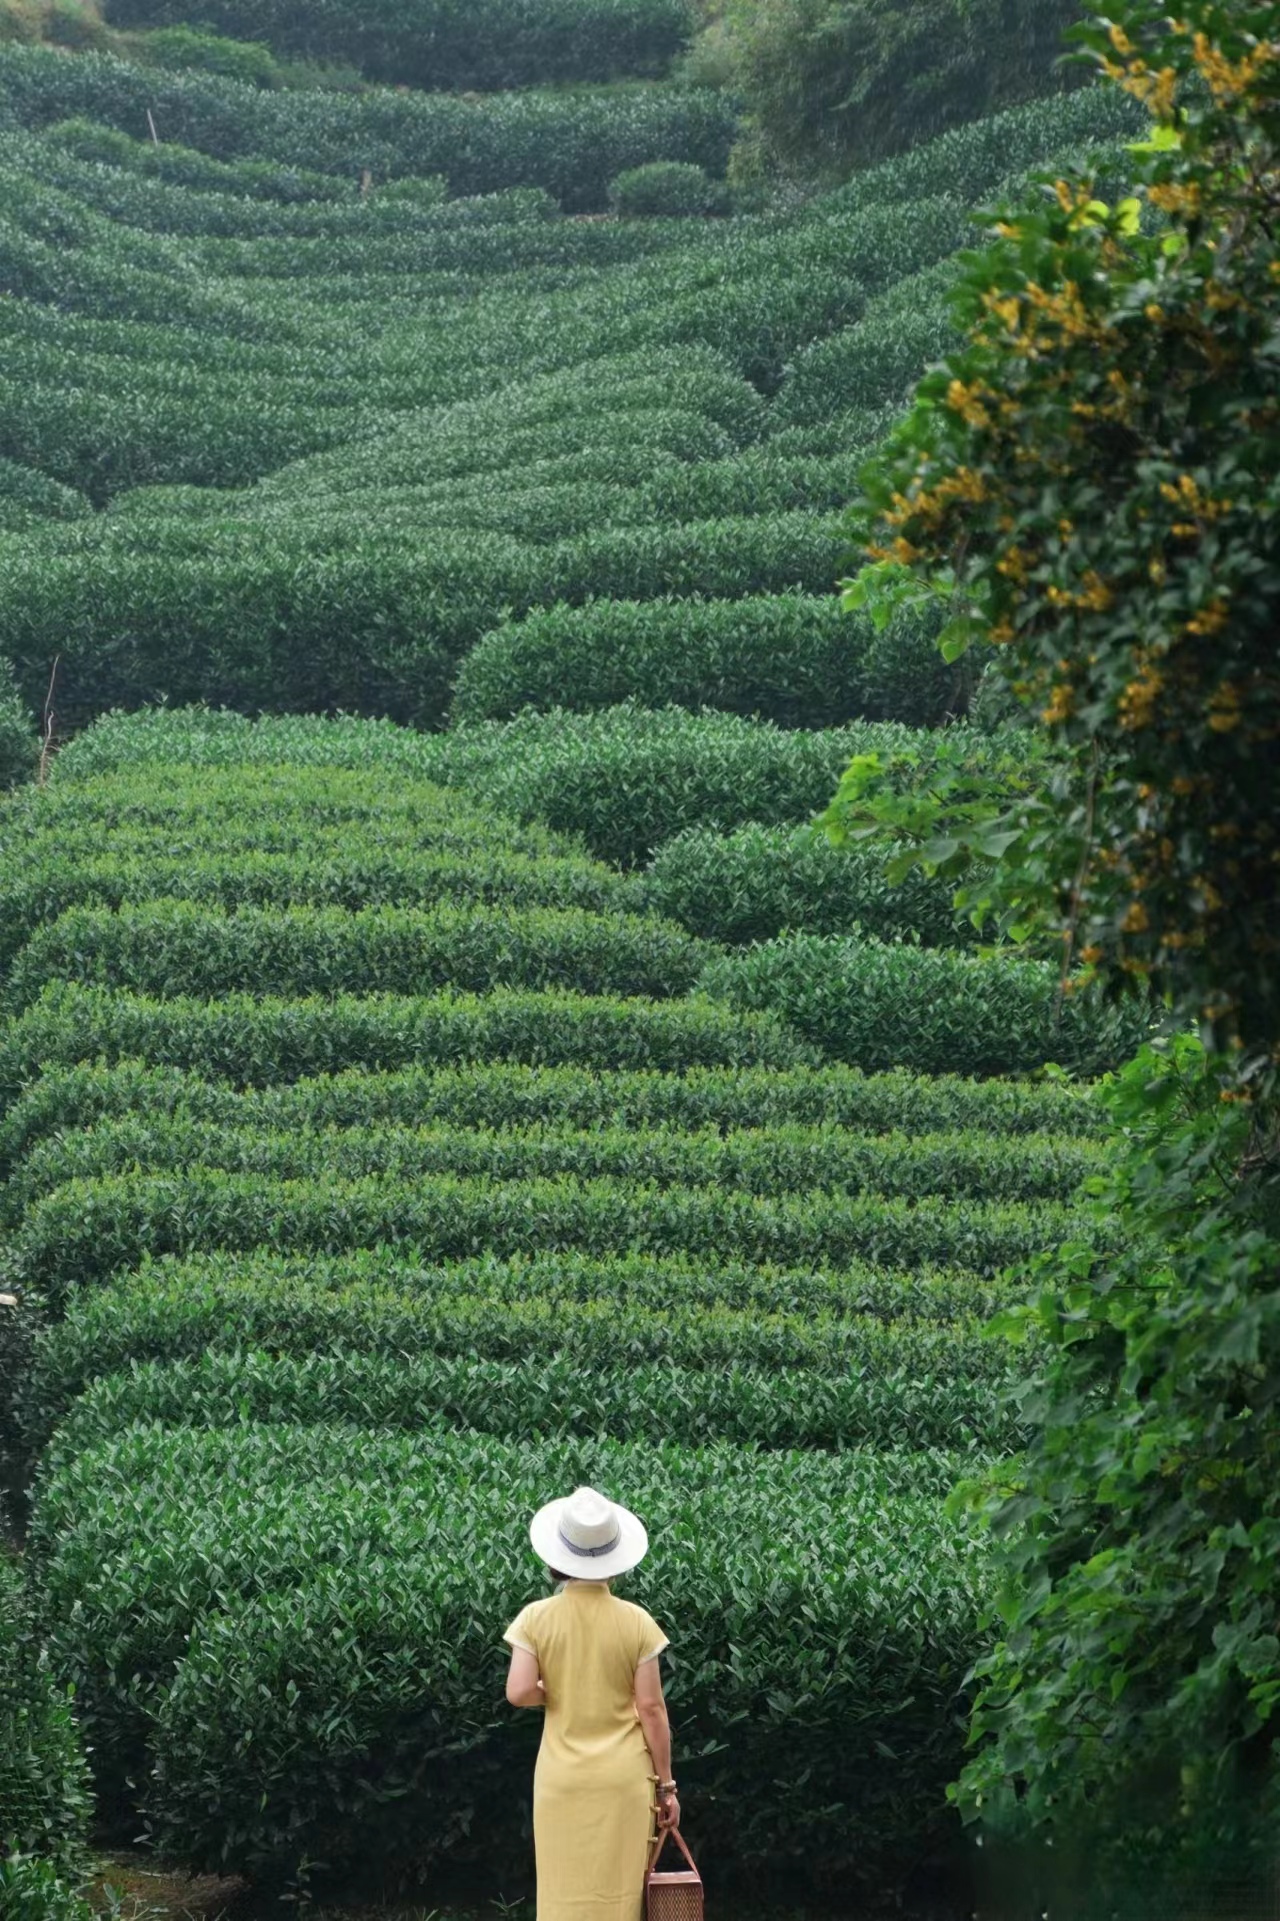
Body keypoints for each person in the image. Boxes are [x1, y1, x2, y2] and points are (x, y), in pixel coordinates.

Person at [503, 1485, 681, 1921]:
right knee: (619, 1898)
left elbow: (520, 1691)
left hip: (561, 1779)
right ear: (613, 1556)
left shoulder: (535, 1618)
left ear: (557, 1557)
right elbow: (652, 1709)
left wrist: (559, 1689)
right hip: (622, 1780)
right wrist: (667, 1786)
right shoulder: (636, 1621)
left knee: (563, 1894)